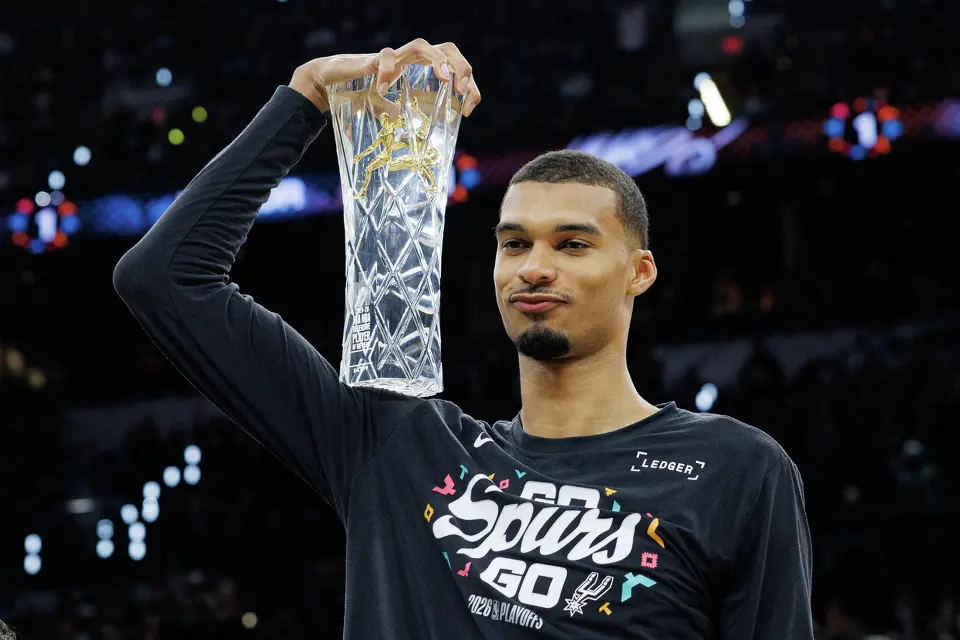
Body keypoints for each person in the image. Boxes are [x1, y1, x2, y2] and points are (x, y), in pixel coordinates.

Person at [113, 38, 813, 639]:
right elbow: (165, 279)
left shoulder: (736, 469)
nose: (534, 267)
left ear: (639, 272)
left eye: (572, 244)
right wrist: (309, 94)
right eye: (515, 245)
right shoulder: (395, 445)